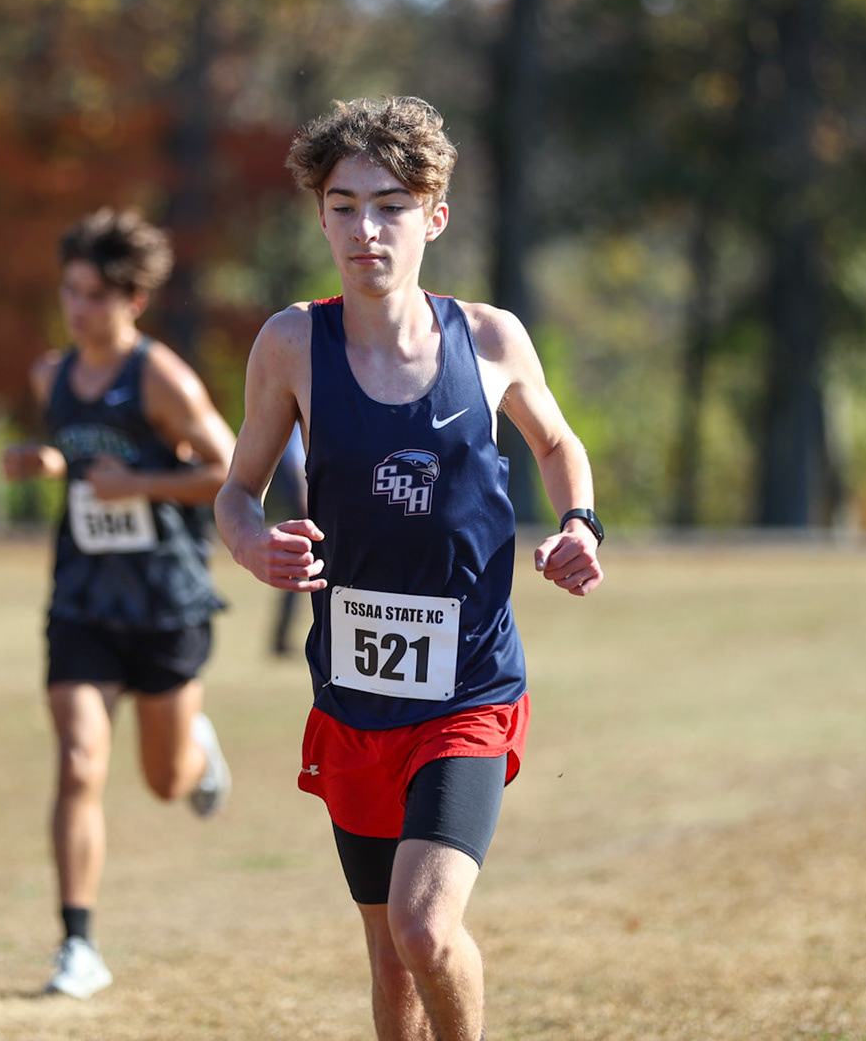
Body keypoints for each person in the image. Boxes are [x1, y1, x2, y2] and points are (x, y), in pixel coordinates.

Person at [215, 96, 604, 1041]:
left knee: (429, 926)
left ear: (433, 214)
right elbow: (237, 491)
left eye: (389, 205)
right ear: (320, 216)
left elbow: (558, 444)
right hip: (352, 698)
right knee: (389, 953)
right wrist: (254, 546)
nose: (365, 229)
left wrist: (580, 523)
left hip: (468, 688)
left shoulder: (492, 339)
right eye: (343, 206)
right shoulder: (292, 345)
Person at [1, 207, 236, 999]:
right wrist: (42, 462)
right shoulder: (51, 378)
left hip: (166, 604)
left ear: (133, 301)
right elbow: (76, 462)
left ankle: (197, 747)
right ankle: (78, 945)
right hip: (82, 603)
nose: (80, 308)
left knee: (167, 782)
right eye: (72, 291)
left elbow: (229, 470)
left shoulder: (160, 377)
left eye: (98, 295)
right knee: (77, 763)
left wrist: (140, 482)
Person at [267, 424, 309, 657]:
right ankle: (282, 639)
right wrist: (303, 492)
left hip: (306, 496)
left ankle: (282, 638)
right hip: (305, 500)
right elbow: (296, 457)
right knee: (299, 568)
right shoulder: (296, 416)